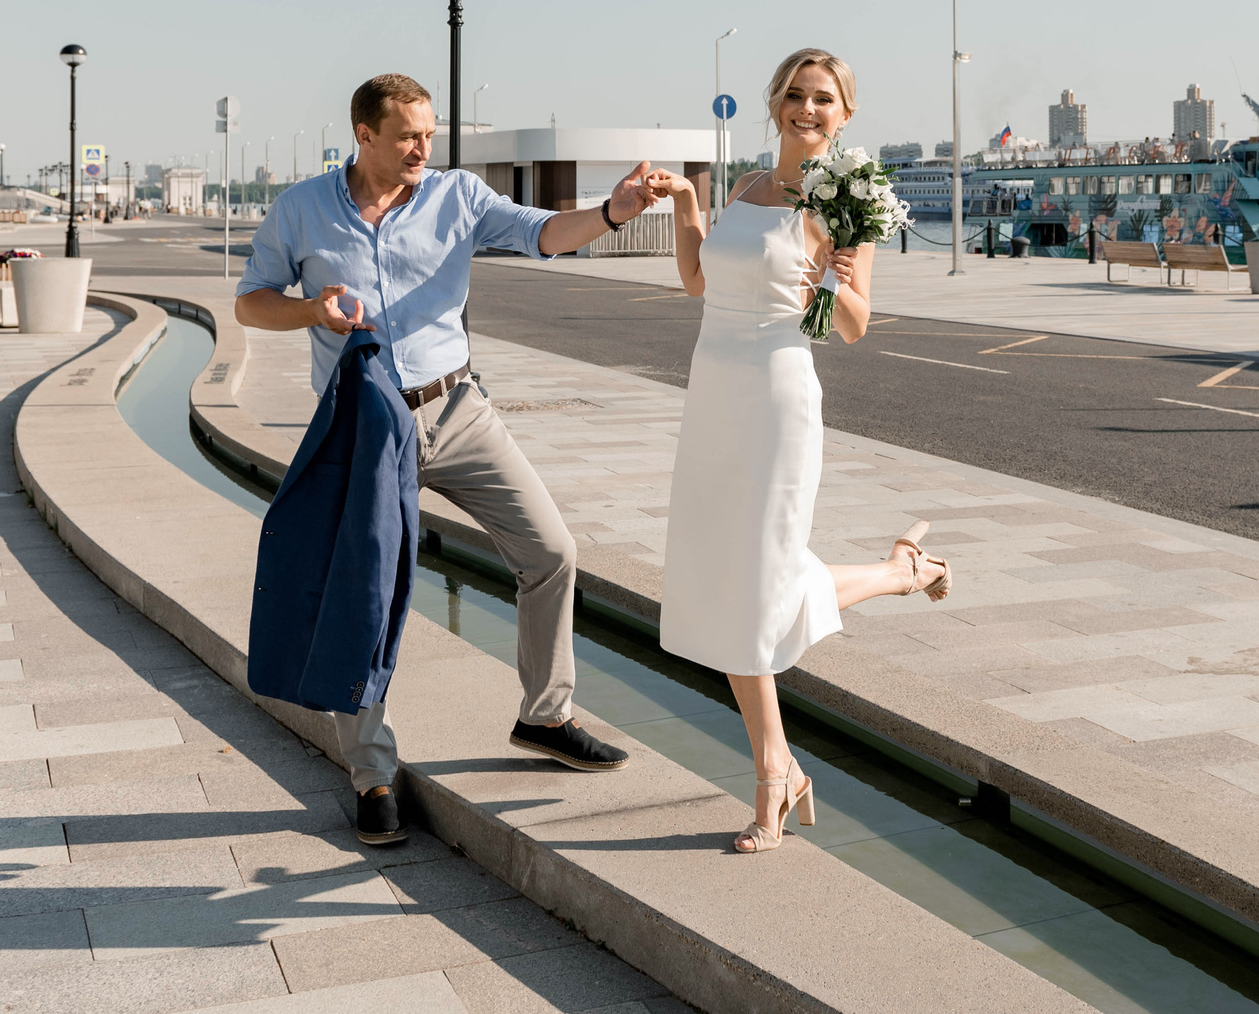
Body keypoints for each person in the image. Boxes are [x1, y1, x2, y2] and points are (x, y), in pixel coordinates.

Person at [236, 72, 689, 846]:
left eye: (430, 133)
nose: (423, 147)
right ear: (365, 136)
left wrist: (616, 211)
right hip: (366, 424)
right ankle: (372, 774)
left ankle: (546, 717)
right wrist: (312, 310)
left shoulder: (459, 198)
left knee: (551, 551)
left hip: (458, 407)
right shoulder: (301, 208)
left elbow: (545, 231)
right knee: (364, 594)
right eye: (408, 134)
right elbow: (251, 300)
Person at [656, 48, 953, 854]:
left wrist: (829, 280)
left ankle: (773, 776)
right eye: (795, 94)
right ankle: (900, 573)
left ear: (844, 115)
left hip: (778, 398)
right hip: (713, 389)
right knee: (725, 575)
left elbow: (853, 325)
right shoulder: (746, 188)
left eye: (823, 99)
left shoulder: (847, 204)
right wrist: (687, 199)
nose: (806, 108)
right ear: (776, 103)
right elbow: (697, 281)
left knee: (754, 583)